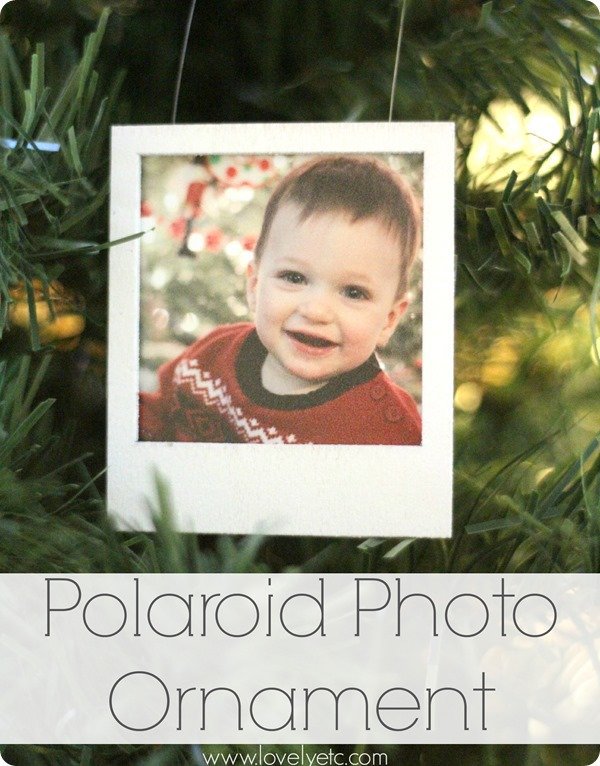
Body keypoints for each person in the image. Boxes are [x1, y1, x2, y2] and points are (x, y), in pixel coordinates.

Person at [139, 155, 422, 445]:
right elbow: (150, 422)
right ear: (255, 285)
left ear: (389, 320)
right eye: (294, 278)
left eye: (353, 292)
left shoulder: (389, 431)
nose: (316, 311)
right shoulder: (212, 357)